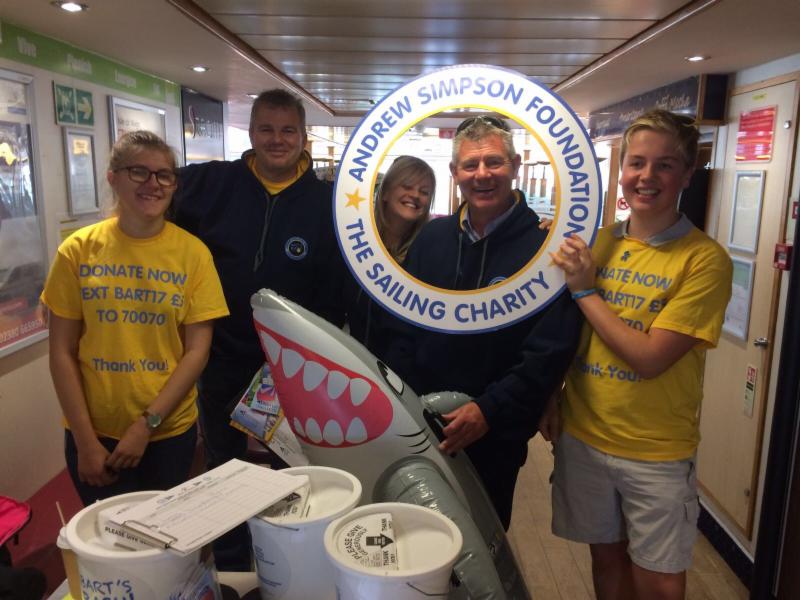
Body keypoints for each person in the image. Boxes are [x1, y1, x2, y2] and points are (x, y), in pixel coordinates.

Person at [543, 109, 733, 600]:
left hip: (656, 450)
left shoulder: (705, 260)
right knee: (606, 558)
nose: (647, 177)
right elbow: (568, 335)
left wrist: (586, 291)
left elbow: (650, 359)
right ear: (622, 168)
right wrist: (551, 396)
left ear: (687, 174)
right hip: (584, 434)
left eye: (665, 165)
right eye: (637, 163)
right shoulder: (599, 242)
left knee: (659, 580)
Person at [172, 88, 346, 570]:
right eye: (266, 129)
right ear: (250, 133)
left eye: (288, 130)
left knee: (292, 470)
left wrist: (312, 357)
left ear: (303, 137)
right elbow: (152, 194)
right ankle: (233, 565)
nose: (277, 140)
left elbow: (336, 293)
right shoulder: (210, 183)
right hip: (219, 357)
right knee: (223, 469)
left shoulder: (328, 203)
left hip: (290, 367)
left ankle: (287, 563)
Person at [385, 116, 582, 529]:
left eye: (494, 162)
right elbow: (401, 329)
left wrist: (489, 410)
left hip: (495, 435)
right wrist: (406, 404)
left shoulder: (546, 248)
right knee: (417, 535)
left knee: (484, 542)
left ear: (515, 165)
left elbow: (548, 352)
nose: (482, 174)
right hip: (420, 425)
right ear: (454, 172)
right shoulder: (432, 239)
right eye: (470, 165)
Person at [41, 131, 229, 505]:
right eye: (139, 172)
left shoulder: (194, 255)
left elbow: (196, 353)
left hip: (166, 433)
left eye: (164, 175)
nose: (153, 184)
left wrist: (146, 425)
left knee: (163, 536)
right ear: (113, 178)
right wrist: (85, 441)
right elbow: (61, 351)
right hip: (93, 434)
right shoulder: (77, 251)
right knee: (104, 536)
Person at [347, 155, 435, 359]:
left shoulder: (430, 251)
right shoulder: (357, 242)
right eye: (407, 186)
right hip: (353, 362)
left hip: (400, 372)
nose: (415, 195)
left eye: (424, 192)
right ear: (385, 192)